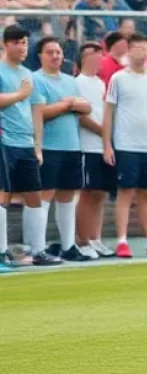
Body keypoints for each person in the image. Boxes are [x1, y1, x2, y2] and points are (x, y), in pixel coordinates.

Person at [103, 34, 147, 258]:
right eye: (137, 48)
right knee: (126, 192)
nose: (141, 52)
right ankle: (122, 240)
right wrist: (107, 145)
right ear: (128, 51)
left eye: (145, 47)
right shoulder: (118, 79)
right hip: (125, 145)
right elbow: (108, 112)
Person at [0, 27, 56, 269]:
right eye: (17, 43)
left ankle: (38, 251)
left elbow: (36, 112)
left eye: (24, 42)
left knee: (34, 196)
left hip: (25, 143)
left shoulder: (27, 74)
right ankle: (2, 252)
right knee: (3, 196)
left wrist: (38, 145)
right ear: (5, 44)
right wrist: (20, 94)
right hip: (4, 142)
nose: (22, 47)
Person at [33, 37, 92, 261]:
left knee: (68, 197)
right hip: (48, 146)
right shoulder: (35, 80)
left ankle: (69, 246)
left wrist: (72, 104)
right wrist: (67, 105)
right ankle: (38, 249)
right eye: (50, 52)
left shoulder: (70, 80)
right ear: (40, 56)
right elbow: (39, 112)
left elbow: (86, 107)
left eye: (58, 52)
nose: (56, 56)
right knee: (44, 196)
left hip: (72, 146)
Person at [75, 43, 116, 257]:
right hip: (87, 146)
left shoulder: (101, 83)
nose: (98, 58)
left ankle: (95, 238)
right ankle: (82, 241)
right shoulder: (77, 83)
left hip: (102, 148)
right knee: (87, 194)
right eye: (93, 54)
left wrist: (107, 138)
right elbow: (81, 117)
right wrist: (104, 133)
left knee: (100, 194)